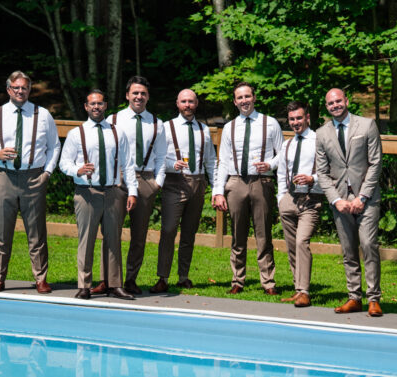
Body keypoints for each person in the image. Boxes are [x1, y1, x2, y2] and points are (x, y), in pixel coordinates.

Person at [0, 71, 61, 294]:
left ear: (29, 90)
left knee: (37, 231)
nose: (20, 91)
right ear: (8, 90)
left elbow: (54, 146)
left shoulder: (43, 115)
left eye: (24, 87)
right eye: (16, 88)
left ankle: (40, 278)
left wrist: (47, 172)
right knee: (2, 231)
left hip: (33, 178)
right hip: (3, 177)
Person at [58, 89, 138, 300]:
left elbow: (128, 164)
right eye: (92, 104)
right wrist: (77, 170)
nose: (96, 107)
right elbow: (63, 163)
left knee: (113, 240)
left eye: (100, 103)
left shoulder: (117, 133)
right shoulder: (76, 134)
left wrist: (132, 191)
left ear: (105, 106)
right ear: (86, 107)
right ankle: (84, 285)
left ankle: (115, 284)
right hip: (87, 192)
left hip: (113, 192)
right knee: (87, 240)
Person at [92, 76, 167, 296]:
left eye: (143, 93)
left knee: (139, 234)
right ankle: (107, 279)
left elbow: (162, 156)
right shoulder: (114, 119)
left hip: (145, 180)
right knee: (111, 231)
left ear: (148, 96)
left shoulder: (157, 123)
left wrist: (157, 183)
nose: (139, 96)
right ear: (127, 95)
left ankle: (131, 279)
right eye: (135, 93)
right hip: (119, 179)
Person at [315, 88, 383, 316]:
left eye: (338, 101)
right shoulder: (322, 133)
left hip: (367, 198)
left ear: (346, 100)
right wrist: (335, 200)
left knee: (368, 245)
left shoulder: (367, 125)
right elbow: (322, 172)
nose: (335, 105)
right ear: (327, 107)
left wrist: (363, 196)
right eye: (330, 103)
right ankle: (354, 297)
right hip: (341, 201)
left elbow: (375, 163)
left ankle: (373, 298)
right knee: (348, 250)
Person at [212, 82, 283, 296]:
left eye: (247, 96)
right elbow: (223, 161)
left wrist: (270, 165)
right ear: (235, 102)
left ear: (254, 98)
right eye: (240, 98)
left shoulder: (270, 123)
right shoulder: (230, 127)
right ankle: (237, 280)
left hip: (262, 182)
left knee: (264, 234)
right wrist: (218, 191)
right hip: (236, 182)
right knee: (237, 234)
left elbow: (283, 154)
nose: (244, 101)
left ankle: (268, 282)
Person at [149, 88, 216, 293]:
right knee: (168, 230)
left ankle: (183, 276)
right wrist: (172, 165)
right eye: (184, 101)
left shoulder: (204, 130)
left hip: (198, 182)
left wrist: (216, 189)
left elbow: (211, 161)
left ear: (196, 104)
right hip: (174, 182)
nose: (187, 105)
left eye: (191, 101)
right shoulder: (166, 127)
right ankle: (162, 277)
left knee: (189, 232)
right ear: (177, 104)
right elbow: (157, 157)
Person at [276, 101, 321, 308]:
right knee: (292, 245)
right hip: (289, 199)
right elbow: (281, 173)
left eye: (299, 118)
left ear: (307, 118)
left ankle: (305, 291)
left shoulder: (319, 141)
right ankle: (298, 289)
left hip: (311, 199)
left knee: (302, 242)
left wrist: (313, 178)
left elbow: (330, 171)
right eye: (292, 119)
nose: (295, 122)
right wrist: (281, 199)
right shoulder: (287, 144)